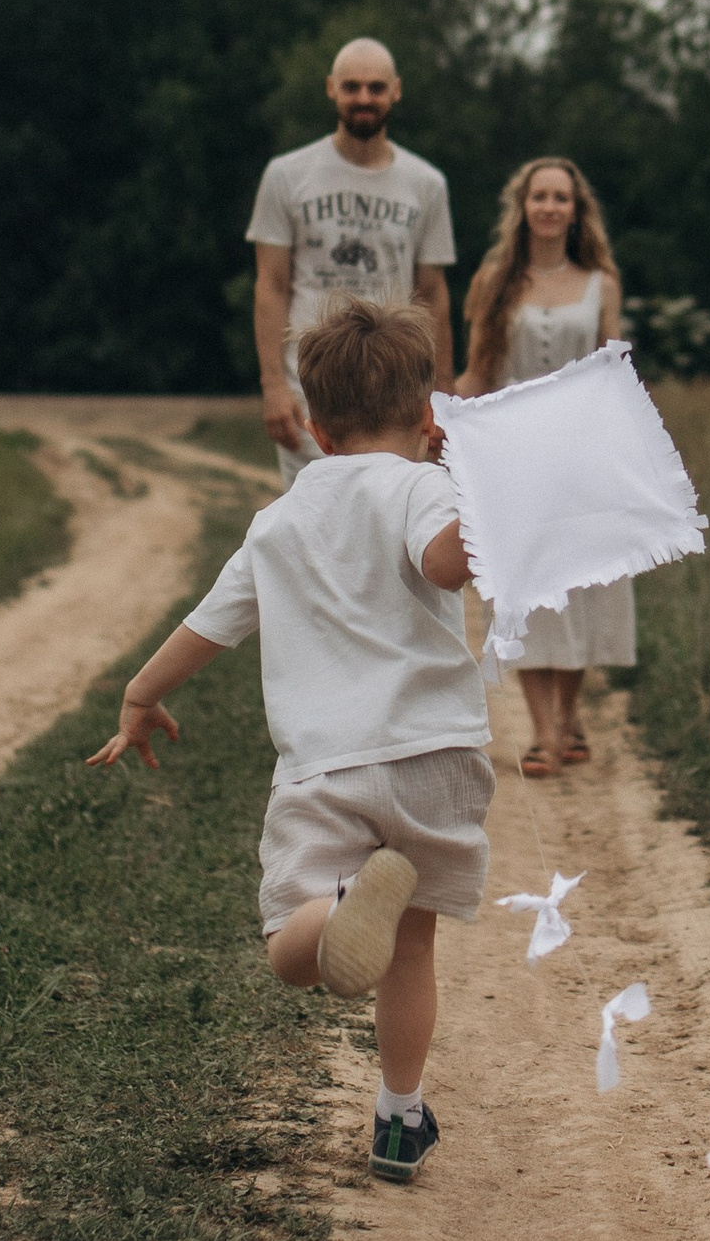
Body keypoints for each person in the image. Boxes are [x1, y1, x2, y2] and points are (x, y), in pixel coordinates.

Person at [88, 295, 490, 1188]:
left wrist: (141, 693)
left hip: (326, 768)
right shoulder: (425, 486)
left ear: (313, 425)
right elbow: (445, 561)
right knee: (412, 950)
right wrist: (488, 490)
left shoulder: (278, 523)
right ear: (430, 420)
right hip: (434, 756)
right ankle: (398, 1118)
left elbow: (212, 624)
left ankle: (340, 908)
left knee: (289, 944)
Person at [455, 153, 634, 779]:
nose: (550, 207)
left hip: (582, 457)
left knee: (577, 593)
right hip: (513, 455)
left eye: (562, 197)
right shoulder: (495, 281)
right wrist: (441, 423)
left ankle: (566, 716)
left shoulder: (600, 284)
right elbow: (478, 370)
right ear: (523, 207)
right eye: (540, 197)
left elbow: (614, 371)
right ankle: (544, 733)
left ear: (576, 210)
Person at [248, 38, 455, 488]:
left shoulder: (426, 184)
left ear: (396, 91)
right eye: (352, 86)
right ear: (331, 89)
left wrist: (441, 394)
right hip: (315, 384)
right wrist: (273, 388)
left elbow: (433, 292)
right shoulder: (287, 175)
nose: (364, 98)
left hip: (396, 382)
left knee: (392, 527)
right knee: (313, 528)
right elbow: (271, 284)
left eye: (376, 87)